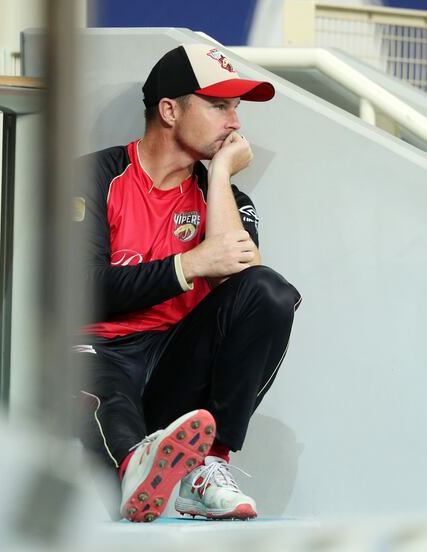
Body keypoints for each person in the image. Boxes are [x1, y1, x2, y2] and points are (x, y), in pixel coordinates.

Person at [72, 43, 301, 522]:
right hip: (98, 356)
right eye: (219, 106)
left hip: (171, 367)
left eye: (236, 108)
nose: (235, 122)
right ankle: (137, 466)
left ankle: (207, 465)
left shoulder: (224, 196)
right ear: (170, 110)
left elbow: (249, 284)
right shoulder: (94, 175)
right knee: (94, 379)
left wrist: (218, 176)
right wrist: (189, 264)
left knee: (271, 292)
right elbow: (83, 291)